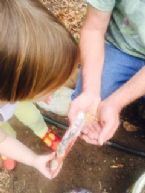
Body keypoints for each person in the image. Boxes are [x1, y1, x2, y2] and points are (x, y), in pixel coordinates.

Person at [0, 0, 77, 178]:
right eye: (48, 87)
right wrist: (32, 159)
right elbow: (2, 139)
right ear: (19, 87)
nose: (52, 94)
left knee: (33, 116)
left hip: (13, 100)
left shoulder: (8, 84)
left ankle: (44, 133)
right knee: (7, 133)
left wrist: (37, 94)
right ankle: (6, 154)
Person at [69, 0, 145, 146]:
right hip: (121, 47)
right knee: (88, 111)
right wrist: (90, 91)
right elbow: (93, 29)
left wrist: (117, 101)